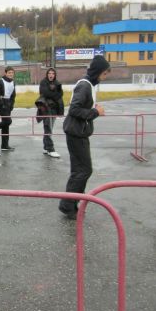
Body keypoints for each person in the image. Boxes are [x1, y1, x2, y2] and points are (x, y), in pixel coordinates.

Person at [58, 55, 110, 219]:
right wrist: (95, 112)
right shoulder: (84, 85)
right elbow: (74, 109)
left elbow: (80, 108)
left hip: (78, 132)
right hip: (76, 133)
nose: (105, 77)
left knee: (80, 170)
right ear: (97, 72)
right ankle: (67, 205)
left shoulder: (89, 85)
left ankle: (72, 203)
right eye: (104, 73)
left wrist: (94, 110)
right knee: (83, 170)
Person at [38, 67, 64, 158]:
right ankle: (50, 149)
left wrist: (53, 94)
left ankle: (46, 147)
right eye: (49, 73)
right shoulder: (43, 82)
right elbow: (45, 93)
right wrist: (55, 94)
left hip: (54, 109)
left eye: (53, 73)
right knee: (48, 127)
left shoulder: (57, 83)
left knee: (49, 128)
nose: (51, 75)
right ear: (47, 74)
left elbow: (61, 93)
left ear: (55, 75)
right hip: (46, 108)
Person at [0, 67, 16, 151]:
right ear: (5, 73)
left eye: (12, 73)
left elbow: (13, 95)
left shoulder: (13, 82)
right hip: (0, 104)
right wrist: (2, 104)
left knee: (6, 125)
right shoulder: (0, 81)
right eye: (9, 73)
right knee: (8, 121)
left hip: (8, 103)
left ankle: (4, 145)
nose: (11, 74)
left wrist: (12, 105)